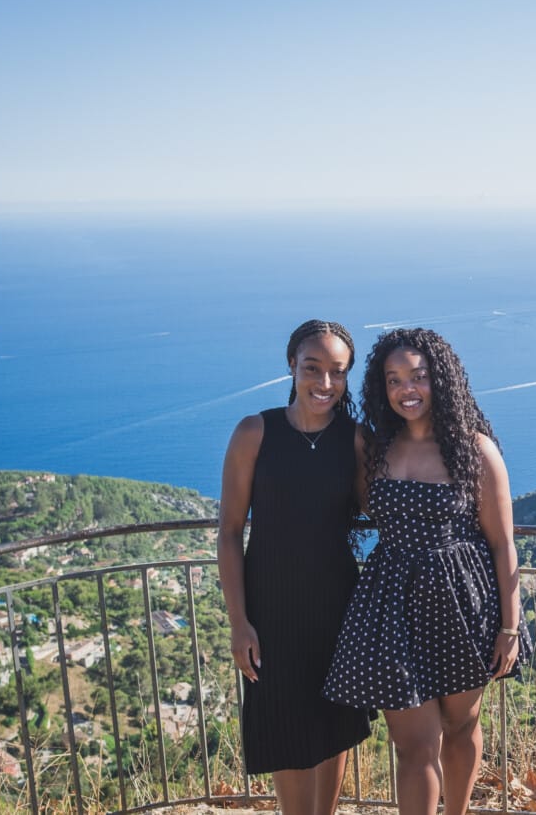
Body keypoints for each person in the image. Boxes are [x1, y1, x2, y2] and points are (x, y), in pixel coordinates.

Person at [322, 327, 532, 815]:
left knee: (461, 727)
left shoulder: (475, 450)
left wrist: (509, 627)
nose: (407, 389)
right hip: (392, 606)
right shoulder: (375, 449)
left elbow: (503, 543)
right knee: (413, 744)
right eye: (394, 380)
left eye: (418, 376)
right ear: (382, 388)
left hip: (462, 605)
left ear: (441, 380)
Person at [217, 319, 372, 815]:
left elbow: (385, 511)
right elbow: (228, 532)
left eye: (337, 371)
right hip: (271, 610)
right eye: (312, 368)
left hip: (338, 608)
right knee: (285, 727)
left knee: (335, 724)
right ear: (291, 366)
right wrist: (239, 623)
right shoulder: (254, 433)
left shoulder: (356, 439)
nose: (325, 383)